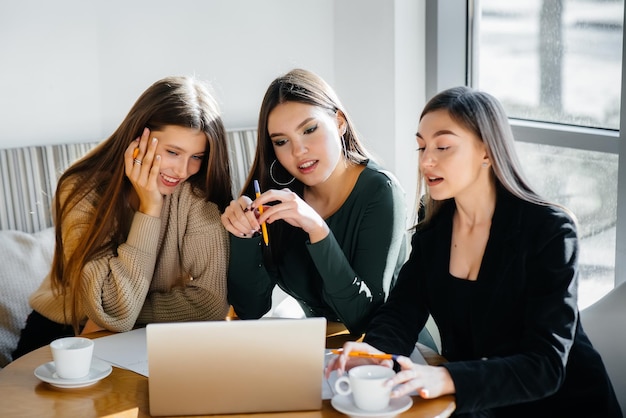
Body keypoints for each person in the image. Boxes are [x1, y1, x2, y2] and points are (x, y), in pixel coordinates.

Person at [327, 86, 622, 417]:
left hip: (563, 407)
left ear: (486, 151)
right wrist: (371, 352)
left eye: (443, 146)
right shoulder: (436, 222)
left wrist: (445, 377)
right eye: (422, 146)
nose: (426, 160)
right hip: (480, 406)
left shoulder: (549, 230)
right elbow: (402, 311)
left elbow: (545, 365)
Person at [12, 76, 233, 360]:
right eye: (172, 152)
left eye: (197, 156)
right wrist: (149, 208)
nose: (182, 170)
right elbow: (116, 311)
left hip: (149, 333)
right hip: (62, 329)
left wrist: (112, 311)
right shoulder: (83, 190)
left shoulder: (195, 195)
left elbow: (210, 304)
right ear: (138, 139)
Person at [221, 68, 417, 338]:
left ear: (339, 122)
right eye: (281, 141)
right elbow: (250, 309)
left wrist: (318, 230)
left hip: (390, 355)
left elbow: (365, 319)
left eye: (310, 129)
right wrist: (243, 236)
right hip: (318, 351)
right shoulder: (277, 195)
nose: (298, 151)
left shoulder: (381, 191)